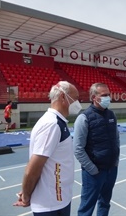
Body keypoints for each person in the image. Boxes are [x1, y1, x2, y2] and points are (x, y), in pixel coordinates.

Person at [13, 81, 82, 216]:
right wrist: (26, 195)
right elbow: (33, 169)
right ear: (63, 97)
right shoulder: (52, 125)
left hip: (58, 200)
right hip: (50, 205)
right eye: (76, 98)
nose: (78, 103)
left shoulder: (58, 122)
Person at [73, 82, 120, 216]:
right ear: (94, 97)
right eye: (104, 95)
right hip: (94, 172)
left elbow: (116, 139)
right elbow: (77, 148)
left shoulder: (111, 115)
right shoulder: (83, 118)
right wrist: (92, 169)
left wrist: (115, 162)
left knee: (105, 203)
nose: (108, 98)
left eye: (109, 95)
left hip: (111, 169)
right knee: (87, 207)